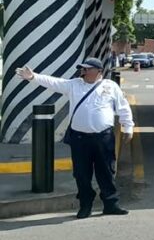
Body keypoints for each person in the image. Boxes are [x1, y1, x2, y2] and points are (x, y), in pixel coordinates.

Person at [15, 58, 134, 219]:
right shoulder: (74, 85)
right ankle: (85, 205)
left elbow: (123, 107)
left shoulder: (110, 86)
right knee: (81, 174)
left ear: (98, 71)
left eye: (87, 69)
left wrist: (128, 127)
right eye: (82, 69)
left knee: (106, 172)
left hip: (103, 138)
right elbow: (53, 82)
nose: (83, 71)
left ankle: (111, 204)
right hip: (80, 139)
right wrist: (33, 77)